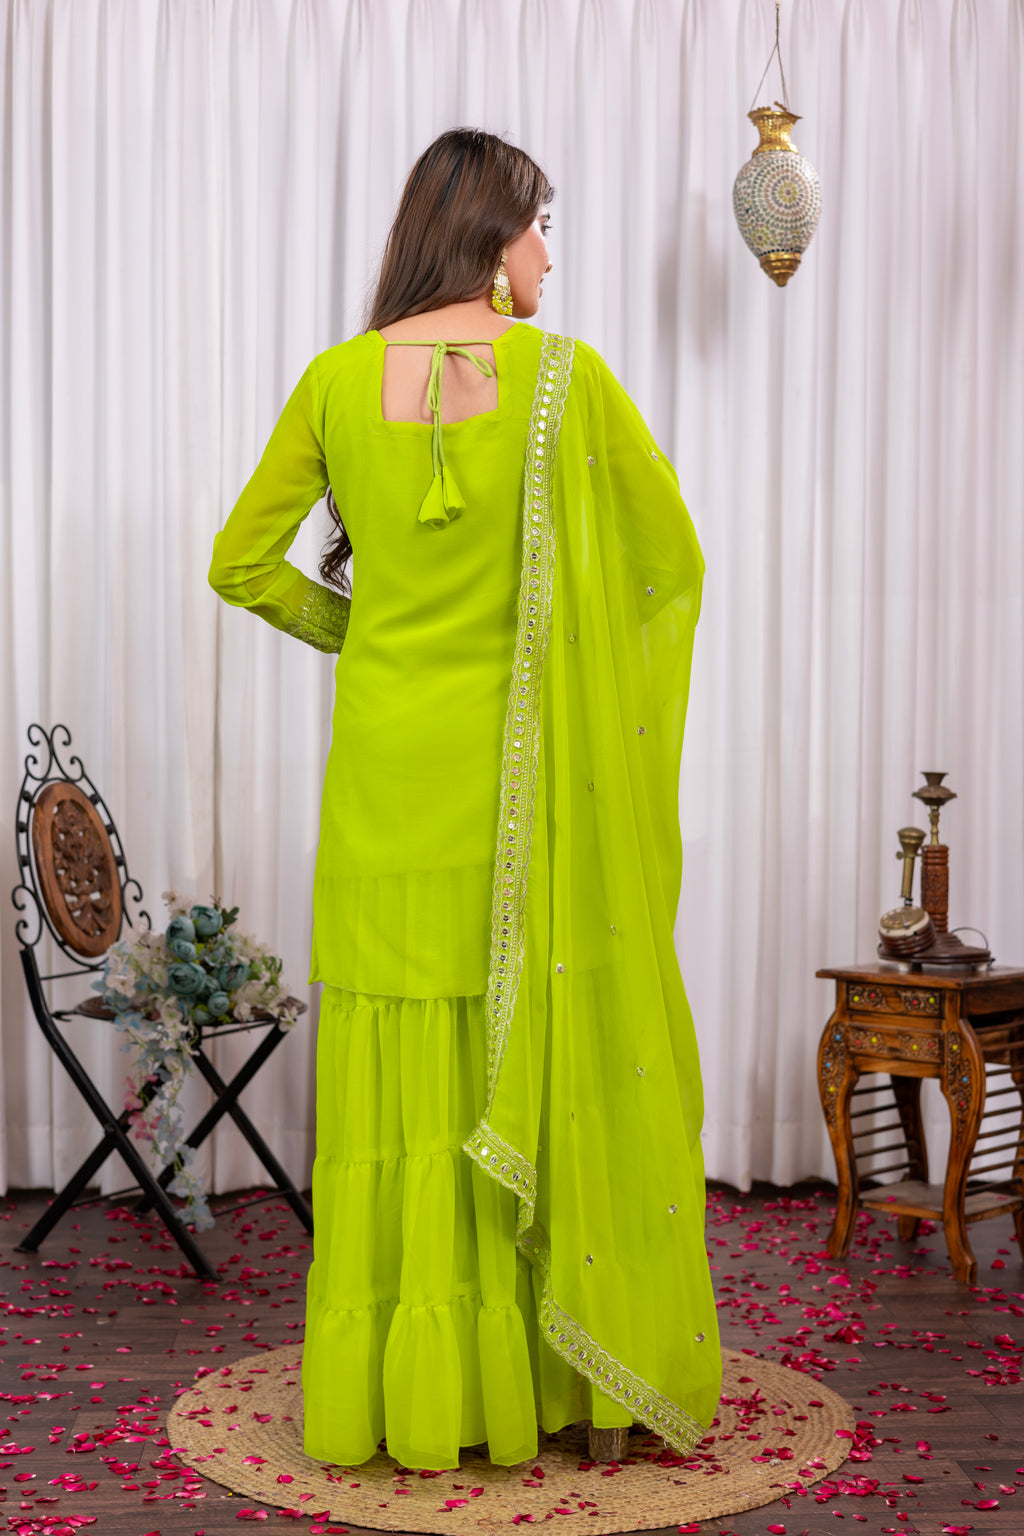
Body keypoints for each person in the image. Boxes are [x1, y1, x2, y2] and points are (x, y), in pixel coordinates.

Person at [209, 127, 720, 1473]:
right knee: (520, 1056)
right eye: (540, 223)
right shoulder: (567, 382)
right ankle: (556, 1387)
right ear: (490, 236)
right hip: (523, 797)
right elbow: (669, 569)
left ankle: (407, 1397)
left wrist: (365, 637)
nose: (549, 252)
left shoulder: (334, 380)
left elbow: (242, 565)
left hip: (384, 785)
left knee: (406, 1082)